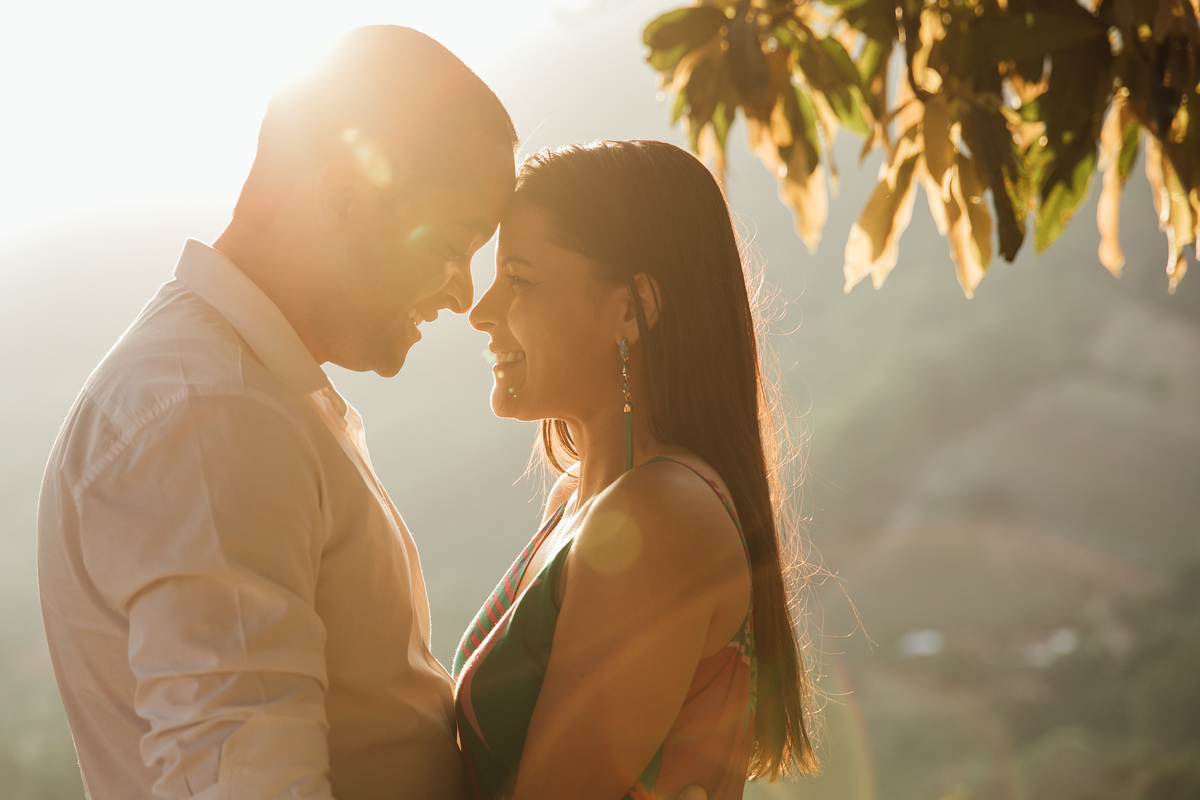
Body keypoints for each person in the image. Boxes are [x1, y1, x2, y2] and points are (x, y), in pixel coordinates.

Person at [37, 26, 516, 799]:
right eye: (454, 244)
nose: (464, 293)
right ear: (346, 198)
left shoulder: (247, 393)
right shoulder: (207, 417)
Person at [457, 140, 820, 800]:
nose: (480, 314)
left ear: (631, 308)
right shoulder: (580, 500)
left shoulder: (657, 515)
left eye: (518, 280)